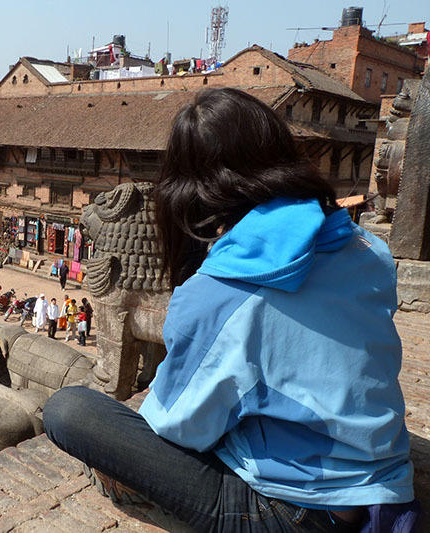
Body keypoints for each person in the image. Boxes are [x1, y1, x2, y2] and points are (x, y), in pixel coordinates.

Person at [42, 88, 420, 532]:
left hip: (296, 511)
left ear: (190, 193)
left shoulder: (219, 295)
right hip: (382, 483)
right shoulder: (367, 247)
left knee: (68, 411)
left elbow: (180, 429)